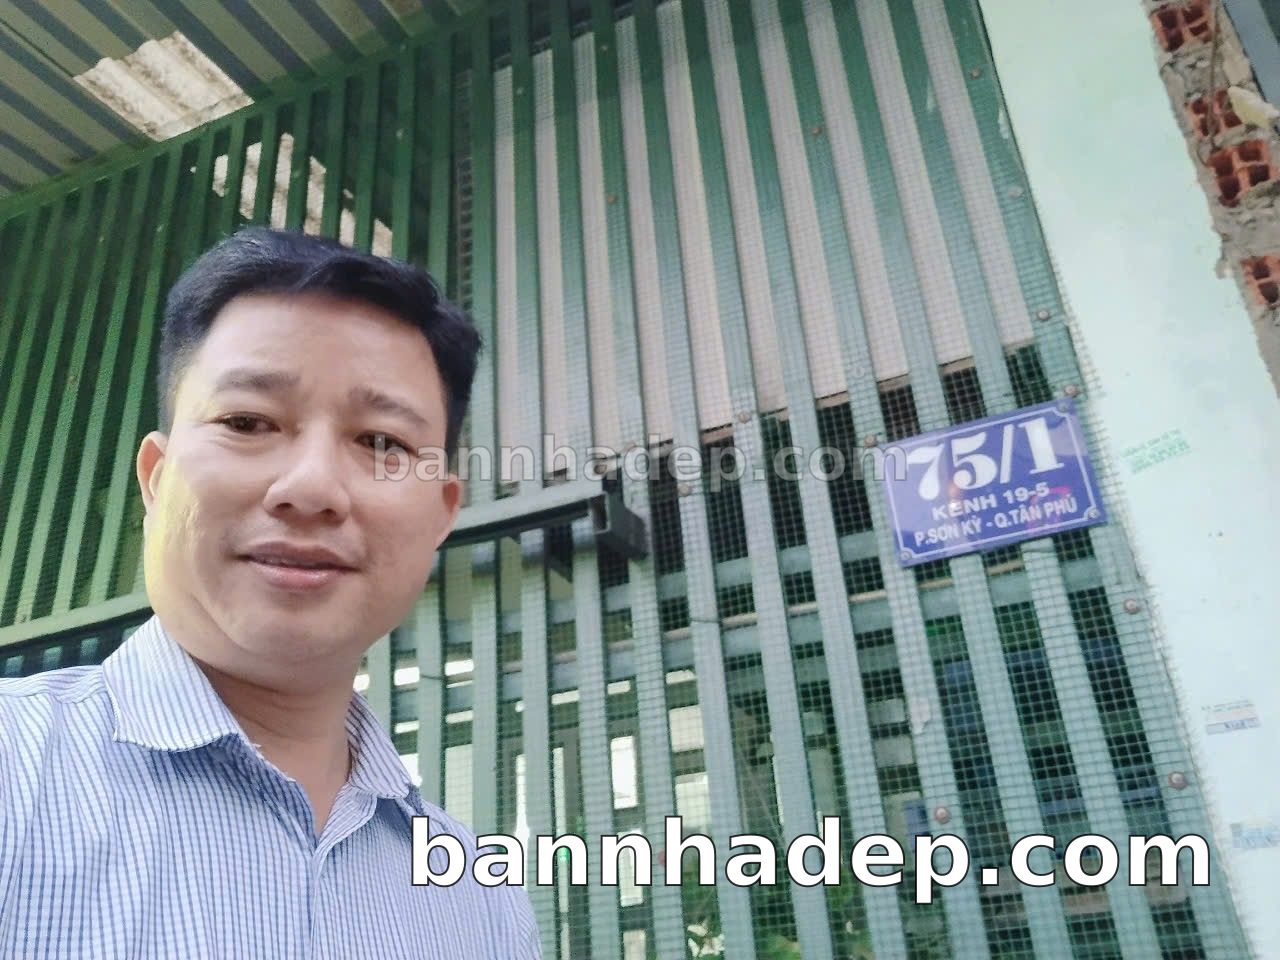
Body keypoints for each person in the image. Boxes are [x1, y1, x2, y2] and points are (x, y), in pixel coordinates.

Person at [0, 228, 540, 959]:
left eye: (382, 443)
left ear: (442, 513)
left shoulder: (479, 899)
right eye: (247, 422)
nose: (311, 487)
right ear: (156, 478)